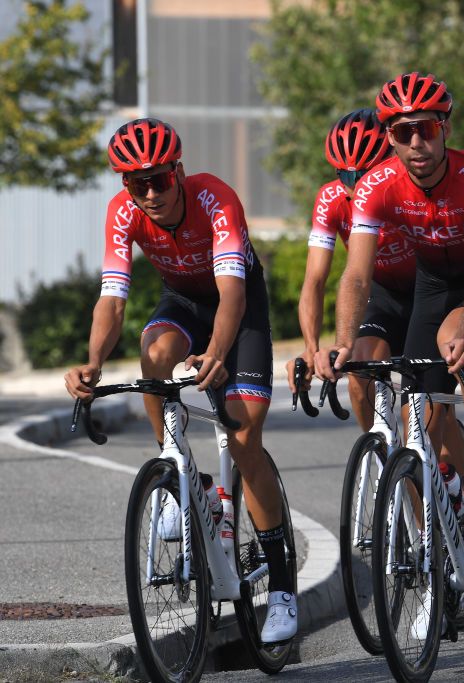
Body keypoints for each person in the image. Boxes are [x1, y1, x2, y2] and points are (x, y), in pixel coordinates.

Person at [64, 118, 297, 643]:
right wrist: (93, 363)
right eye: (135, 183)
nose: (149, 193)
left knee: (244, 441)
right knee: (155, 353)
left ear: (179, 171)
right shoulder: (122, 212)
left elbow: (232, 294)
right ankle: (174, 473)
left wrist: (216, 353)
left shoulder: (216, 199)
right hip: (184, 304)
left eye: (159, 180)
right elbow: (114, 299)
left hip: (238, 303)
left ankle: (282, 588)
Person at [317, 73, 464, 529]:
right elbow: (355, 276)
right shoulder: (376, 186)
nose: (417, 142)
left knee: (457, 342)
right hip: (433, 285)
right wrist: (342, 341)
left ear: (445, 129)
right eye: (403, 132)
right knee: (419, 412)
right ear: (390, 138)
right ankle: (446, 503)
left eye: (427, 129)